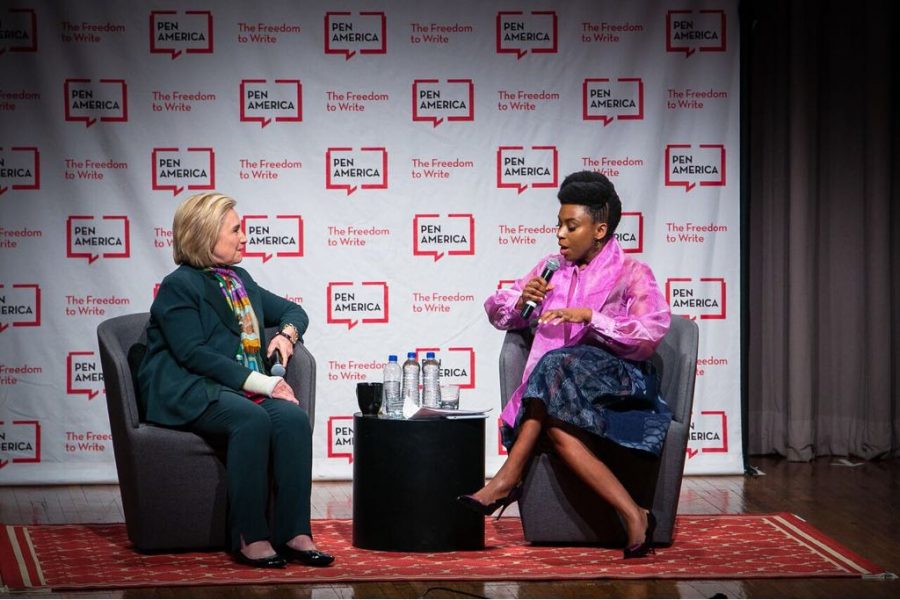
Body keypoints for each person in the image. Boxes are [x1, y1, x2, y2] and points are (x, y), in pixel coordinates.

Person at [458, 171, 672, 559]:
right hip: (558, 392)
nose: (560, 234)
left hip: (617, 384)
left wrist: (592, 317)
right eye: (558, 224)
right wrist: (525, 298)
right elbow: (504, 317)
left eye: (571, 226)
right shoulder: (550, 268)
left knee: (555, 364)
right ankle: (636, 515)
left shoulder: (632, 273)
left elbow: (648, 334)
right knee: (557, 422)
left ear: (600, 229)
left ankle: (508, 476)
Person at [136, 192, 334, 569]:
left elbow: (294, 311)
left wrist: (286, 335)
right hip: (189, 386)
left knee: (292, 419)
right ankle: (250, 536)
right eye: (236, 230)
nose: (245, 237)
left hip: (235, 387)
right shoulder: (179, 285)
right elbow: (193, 353)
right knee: (251, 418)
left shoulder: (240, 279)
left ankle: (295, 532)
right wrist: (263, 383)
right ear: (206, 235)